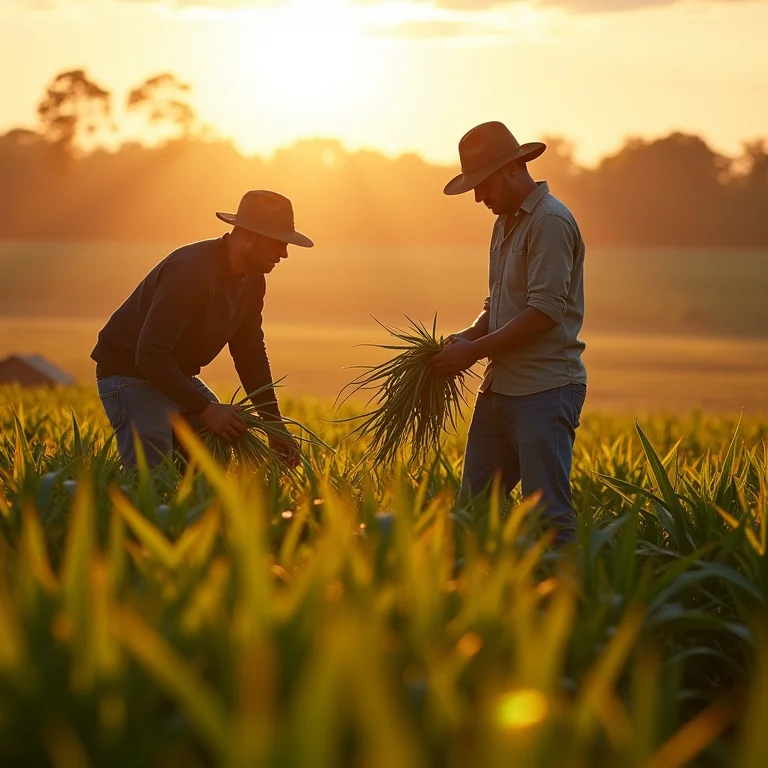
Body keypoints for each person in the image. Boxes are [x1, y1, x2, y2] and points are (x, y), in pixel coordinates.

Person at [432, 121, 587, 545]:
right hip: (499, 391)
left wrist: (473, 352)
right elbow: (497, 306)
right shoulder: (505, 222)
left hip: (544, 390)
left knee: (547, 517)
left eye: (482, 185)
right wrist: (466, 338)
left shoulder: (550, 222)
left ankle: (571, 602)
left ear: (512, 169)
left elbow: (543, 312)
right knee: (471, 513)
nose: (479, 196)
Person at [91, 190, 313, 470]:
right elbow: (149, 354)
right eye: (278, 243)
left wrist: (274, 425)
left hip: (172, 373)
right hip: (130, 374)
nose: (285, 253)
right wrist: (207, 410)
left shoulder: (254, 279)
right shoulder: (191, 272)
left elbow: (250, 353)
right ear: (247, 236)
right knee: (152, 479)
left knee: (213, 461)